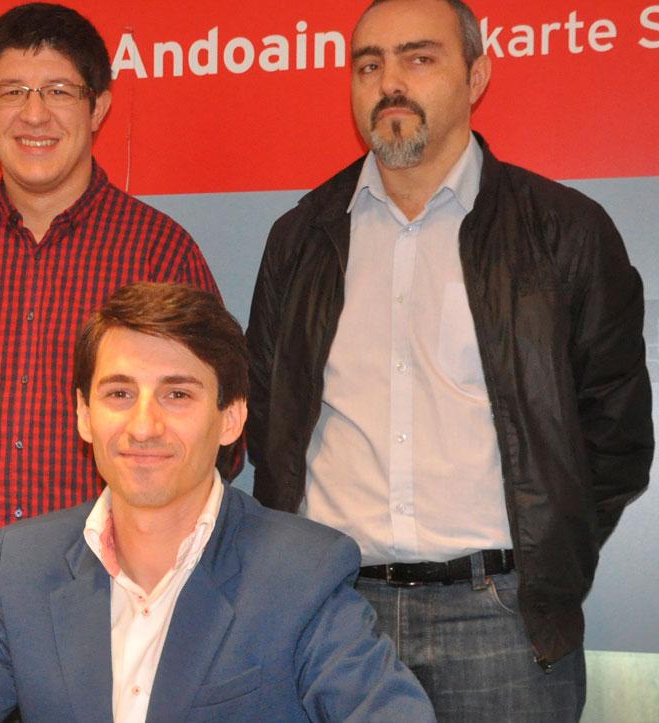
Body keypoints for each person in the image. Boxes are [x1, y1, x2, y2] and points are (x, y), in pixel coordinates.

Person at [245, 0, 652, 718]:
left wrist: (548, 561)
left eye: (419, 58)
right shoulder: (300, 239)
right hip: (338, 616)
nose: (390, 83)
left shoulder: (565, 232)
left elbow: (616, 436)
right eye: (369, 65)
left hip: (505, 623)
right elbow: (268, 421)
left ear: (477, 76)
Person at [0, 282, 433, 721]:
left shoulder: (301, 572)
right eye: (119, 393)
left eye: (177, 395)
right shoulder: (26, 566)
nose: (144, 426)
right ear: (83, 414)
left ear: (231, 418)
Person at [0, 3, 218, 688]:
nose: (34, 114)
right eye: (13, 91)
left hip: (112, 627)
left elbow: (208, 438)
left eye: (59, 91)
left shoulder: (160, 254)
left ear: (99, 107)